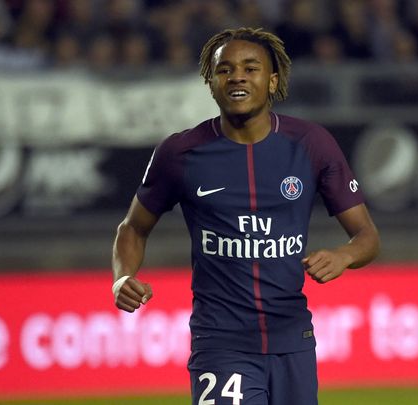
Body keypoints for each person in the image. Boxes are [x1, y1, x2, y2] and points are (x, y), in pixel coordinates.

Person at [111, 27, 380, 405]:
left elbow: (367, 236)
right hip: (221, 344)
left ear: (272, 81)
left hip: (293, 342)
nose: (236, 76)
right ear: (211, 82)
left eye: (250, 68)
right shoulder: (180, 153)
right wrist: (122, 276)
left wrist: (344, 255)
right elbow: (133, 228)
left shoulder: (311, 144)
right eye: (224, 69)